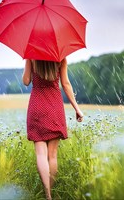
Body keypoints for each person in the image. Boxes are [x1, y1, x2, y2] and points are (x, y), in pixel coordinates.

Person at [23, 58, 83, 200]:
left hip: (37, 105)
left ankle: (47, 195)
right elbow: (66, 84)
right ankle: (51, 193)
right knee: (53, 155)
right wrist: (77, 109)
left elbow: (26, 81)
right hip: (54, 106)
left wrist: (28, 62)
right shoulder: (60, 57)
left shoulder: (32, 56)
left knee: (40, 154)